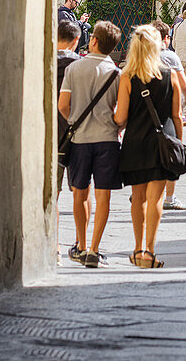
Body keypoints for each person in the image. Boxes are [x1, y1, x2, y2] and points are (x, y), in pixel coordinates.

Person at [115, 24, 183, 268]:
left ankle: (137, 248)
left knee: (138, 198)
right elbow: (176, 116)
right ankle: (150, 251)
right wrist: (179, 142)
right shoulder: (170, 75)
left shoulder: (127, 77)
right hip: (161, 140)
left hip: (135, 141)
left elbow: (121, 117)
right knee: (156, 198)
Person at [58, 20, 122, 268]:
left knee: (80, 192)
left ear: (93, 40)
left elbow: (63, 105)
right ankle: (95, 249)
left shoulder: (75, 68)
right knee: (103, 195)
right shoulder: (117, 73)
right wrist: (115, 125)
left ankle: (81, 245)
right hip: (107, 139)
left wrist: (73, 120)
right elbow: (122, 113)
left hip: (80, 139)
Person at [152, 18, 186, 210]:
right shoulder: (170, 57)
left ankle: (145, 190)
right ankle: (168, 197)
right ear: (165, 38)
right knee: (170, 154)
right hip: (167, 111)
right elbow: (183, 84)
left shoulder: (139, 55)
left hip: (144, 111)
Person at [56, 18, 81, 263]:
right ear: (76, 41)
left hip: (50, 138)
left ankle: (53, 245)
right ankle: (80, 242)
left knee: (51, 194)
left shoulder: (44, 63)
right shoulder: (81, 66)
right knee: (80, 192)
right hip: (77, 137)